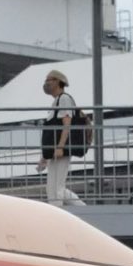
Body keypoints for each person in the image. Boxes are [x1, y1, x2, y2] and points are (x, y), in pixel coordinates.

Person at [38, 68, 84, 207]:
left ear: (58, 82)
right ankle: (83, 208)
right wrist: (45, 157)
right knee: (54, 187)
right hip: (54, 151)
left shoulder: (64, 99)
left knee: (56, 188)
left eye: (48, 80)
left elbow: (66, 124)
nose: (46, 84)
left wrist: (60, 147)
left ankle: (57, 215)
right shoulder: (56, 102)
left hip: (60, 150)